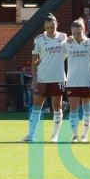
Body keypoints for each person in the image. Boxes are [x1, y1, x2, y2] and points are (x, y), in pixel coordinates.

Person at [21, 14, 67, 143]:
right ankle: (31, 136)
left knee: (57, 108)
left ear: (56, 25)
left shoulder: (64, 37)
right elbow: (34, 61)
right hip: (42, 79)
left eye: (52, 27)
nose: (50, 30)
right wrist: (34, 78)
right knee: (36, 108)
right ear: (44, 27)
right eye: (47, 27)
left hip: (58, 78)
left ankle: (54, 136)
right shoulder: (39, 40)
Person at [64, 19, 90, 142]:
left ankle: (85, 136)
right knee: (73, 110)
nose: (76, 35)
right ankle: (75, 135)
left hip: (88, 81)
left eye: (79, 33)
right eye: (74, 33)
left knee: (87, 110)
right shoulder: (67, 44)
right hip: (72, 81)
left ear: (84, 30)